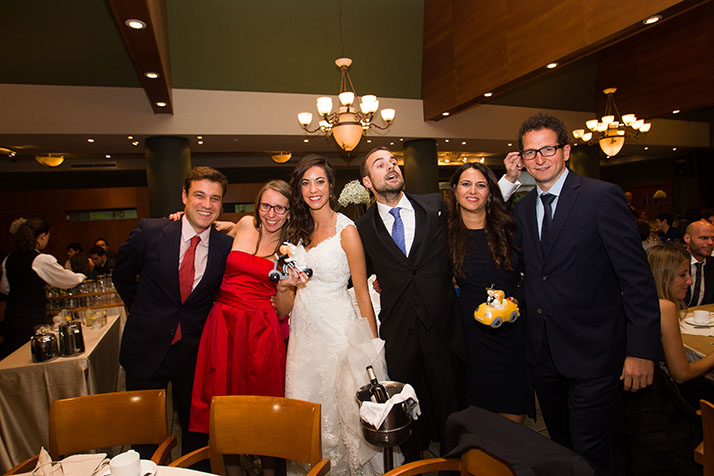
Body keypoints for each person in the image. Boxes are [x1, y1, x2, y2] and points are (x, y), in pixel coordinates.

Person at [512, 113, 661, 475]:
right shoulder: (522, 208)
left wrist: (642, 350)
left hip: (595, 352)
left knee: (590, 446)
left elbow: (636, 278)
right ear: (522, 159)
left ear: (565, 151)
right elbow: (530, 272)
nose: (539, 159)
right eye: (531, 153)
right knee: (561, 445)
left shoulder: (601, 197)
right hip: (544, 354)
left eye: (547, 149)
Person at [356, 147, 520, 461]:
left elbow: (475, 204)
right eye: (380, 164)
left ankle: (455, 464)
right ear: (367, 181)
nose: (391, 167)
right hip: (399, 332)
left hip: (444, 328)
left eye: (394, 162)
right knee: (407, 417)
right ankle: (413, 465)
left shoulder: (435, 205)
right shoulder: (363, 228)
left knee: (451, 411)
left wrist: (509, 181)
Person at [112, 166, 233, 456]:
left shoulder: (226, 246)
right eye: (199, 195)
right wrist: (144, 312)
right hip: (146, 345)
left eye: (215, 198)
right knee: (144, 435)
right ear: (184, 196)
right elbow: (122, 276)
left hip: (194, 353)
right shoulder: (151, 232)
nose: (206, 204)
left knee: (196, 434)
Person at [284, 155, 383, 476]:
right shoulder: (297, 231)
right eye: (306, 183)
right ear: (299, 190)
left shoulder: (347, 231)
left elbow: (362, 293)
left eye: (320, 182)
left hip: (336, 334)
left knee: (341, 410)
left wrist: (372, 348)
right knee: (307, 404)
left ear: (330, 186)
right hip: (302, 334)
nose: (313, 189)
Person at [189, 180, 305, 434]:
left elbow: (284, 311)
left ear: (289, 213)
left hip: (260, 329)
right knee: (221, 395)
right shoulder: (243, 224)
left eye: (280, 208)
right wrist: (181, 218)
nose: (271, 214)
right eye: (266, 206)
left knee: (259, 403)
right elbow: (203, 227)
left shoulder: (291, 250)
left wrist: (283, 288)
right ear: (257, 206)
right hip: (223, 322)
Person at [446, 162, 533, 424]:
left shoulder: (511, 228)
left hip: (510, 338)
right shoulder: (444, 234)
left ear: (490, 193)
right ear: (455, 190)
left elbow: (537, 275)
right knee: (477, 427)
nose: (473, 191)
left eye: (481, 185)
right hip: (470, 342)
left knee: (512, 428)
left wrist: (519, 298)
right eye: (466, 184)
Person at [0, 218, 86, 355]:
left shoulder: (8, 259)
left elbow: (5, 288)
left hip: (11, 317)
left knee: (15, 357)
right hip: (31, 317)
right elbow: (66, 280)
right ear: (43, 236)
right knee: (35, 354)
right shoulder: (40, 260)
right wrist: (82, 276)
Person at [647, 243, 714, 407]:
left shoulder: (642, 302)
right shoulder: (665, 307)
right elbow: (682, 374)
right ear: (662, 276)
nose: (690, 281)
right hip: (664, 398)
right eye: (682, 275)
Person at [683, 219, 714, 306]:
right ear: (687, 238)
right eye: (704, 238)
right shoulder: (675, 262)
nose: (710, 242)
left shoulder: (711, 264)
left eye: (713, 238)